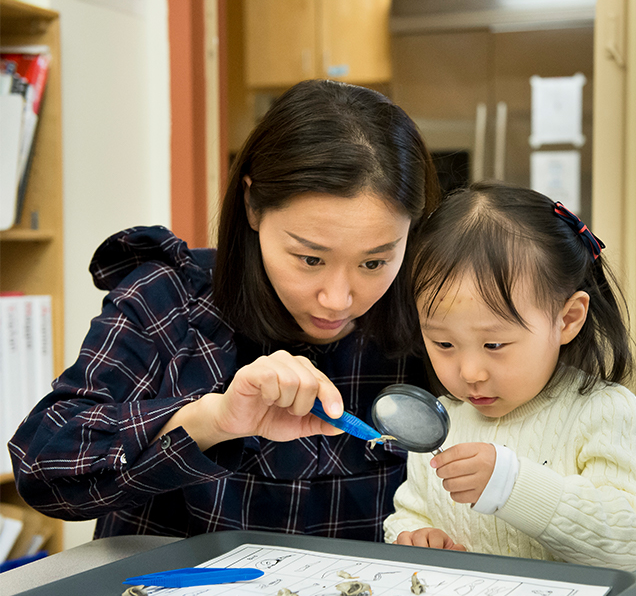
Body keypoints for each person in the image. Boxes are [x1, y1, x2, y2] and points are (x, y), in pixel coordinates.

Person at [8, 79, 442, 542]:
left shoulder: (436, 319)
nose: (337, 299)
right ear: (253, 205)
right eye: (310, 259)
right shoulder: (170, 299)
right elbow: (42, 467)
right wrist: (210, 421)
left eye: (374, 262)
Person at [383, 181, 636, 570]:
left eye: (494, 345)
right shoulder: (442, 420)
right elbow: (411, 511)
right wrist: (414, 536)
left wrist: (511, 484)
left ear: (567, 319)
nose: (469, 372)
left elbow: (632, 541)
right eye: (443, 344)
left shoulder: (603, 412)